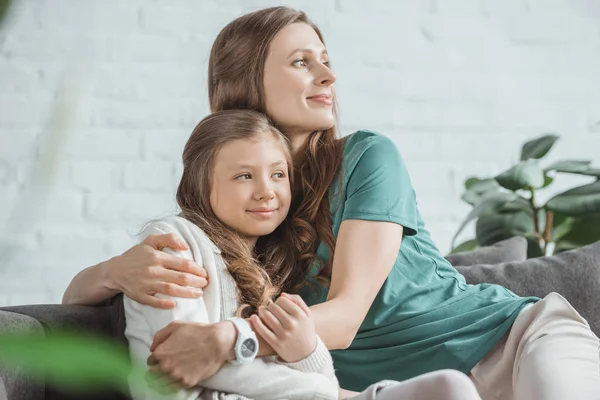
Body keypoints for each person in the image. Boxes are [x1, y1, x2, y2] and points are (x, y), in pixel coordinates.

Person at [64, 6, 600, 400]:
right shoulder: (241, 209)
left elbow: (342, 318)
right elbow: (76, 305)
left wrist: (228, 340)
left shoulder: (367, 157)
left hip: (513, 343)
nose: (328, 76)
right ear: (242, 82)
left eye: (325, 60)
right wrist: (116, 271)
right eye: (302, 62)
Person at [125, 109, 482, 400]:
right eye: (244, 176)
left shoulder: (272, 269)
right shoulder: (174, 244)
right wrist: (324, 389)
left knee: (451, 388)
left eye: (278, 174)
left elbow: (314, 370)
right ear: (201, 185)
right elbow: (181, 364)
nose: (267, 192)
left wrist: (306, 353)